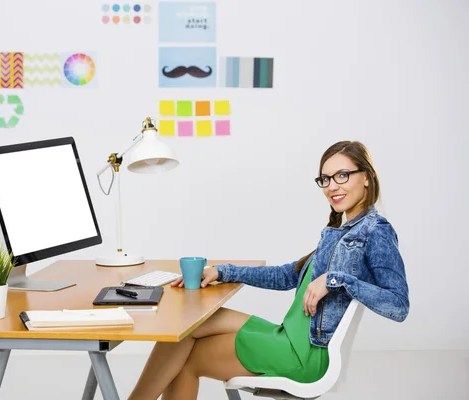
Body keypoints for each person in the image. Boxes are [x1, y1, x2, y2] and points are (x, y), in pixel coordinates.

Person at [128, 141, 410, 400]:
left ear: (367, 177)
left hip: (303, 354)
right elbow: (287, 276)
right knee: (187, 326)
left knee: (185, 361)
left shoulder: (376, 232)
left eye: (342, 175)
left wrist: (336, 280)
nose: (332, 186)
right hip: (286, 336)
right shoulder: (338, 231)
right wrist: (223, 272)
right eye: (325, 179)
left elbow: (399, 305)